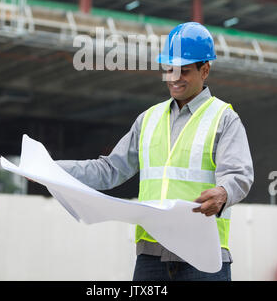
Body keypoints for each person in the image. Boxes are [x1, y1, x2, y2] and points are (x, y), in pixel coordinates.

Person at [57, 22, 254, 281]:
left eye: (183, 71)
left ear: (205, 70)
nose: (174, 78)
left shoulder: (224, 118)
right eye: (169, 69)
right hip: (152, 257)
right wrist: (52, 169)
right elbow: (109, 170)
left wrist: (224, 192)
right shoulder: (148, 119)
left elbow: (239, 174)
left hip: (203, 257)